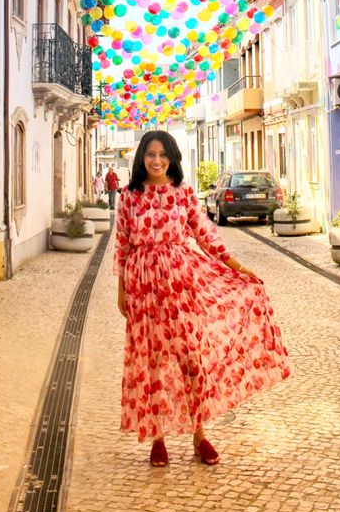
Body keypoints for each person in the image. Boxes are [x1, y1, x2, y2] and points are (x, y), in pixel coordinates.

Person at [114, 130, 290, 468]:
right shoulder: (129, 197)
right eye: (150, 154)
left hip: (183, 286)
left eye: (162, 154)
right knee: (152, 365)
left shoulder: (183, 195)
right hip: (144, 288)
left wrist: (237, 267)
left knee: (192, 362)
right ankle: (158, 438)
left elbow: (206, 236)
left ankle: (199, 434)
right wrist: (122, 291)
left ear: (172, 158)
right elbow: (122, 246)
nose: (156, 160)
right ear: (141, 158)